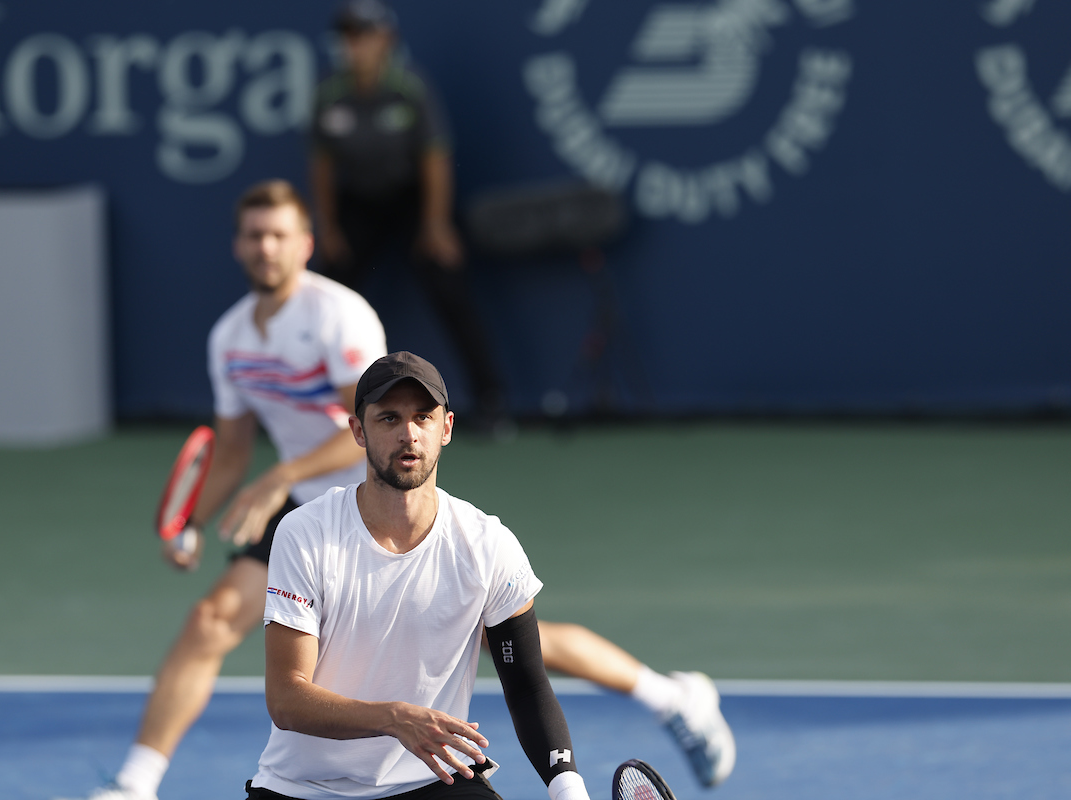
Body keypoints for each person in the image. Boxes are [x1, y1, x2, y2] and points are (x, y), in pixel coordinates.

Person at [65, 181, 732, 800]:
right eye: (253, 235)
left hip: (370, 495)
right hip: (311, 515)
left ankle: (670, 696)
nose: (265, 247)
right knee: (211, 621)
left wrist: (283, 475)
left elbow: (363, 423)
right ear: (238, 245)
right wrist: (196, 521)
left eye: (279, 235)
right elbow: (234, 447)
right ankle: (135, 782)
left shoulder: (338, 318)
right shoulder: (231, 337)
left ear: (304, 244)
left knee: (517, 640)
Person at [249, 351, 586, 800]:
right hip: (304, 790)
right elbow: (287, 700)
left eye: (422, 417)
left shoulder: (487, 544)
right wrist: (394, 718)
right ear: (358, 432)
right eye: (388, 419)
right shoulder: (305, 533)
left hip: (433, 781)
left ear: (445, 428)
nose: (408, 434)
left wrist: (568, 789)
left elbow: (527, 685)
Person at [310, 0, 508, 430]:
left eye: (363, 35)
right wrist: (327, 227)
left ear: (386, 40)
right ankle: (308, 409)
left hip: (412, 201)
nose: (353, 45)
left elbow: (435, 159)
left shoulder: (411, 87)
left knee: (448, 285)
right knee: (323, 298)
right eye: (347, 36)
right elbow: (323, 166)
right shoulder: (329, 92)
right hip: (358, 203)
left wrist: (435, 225)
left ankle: (492, 403)